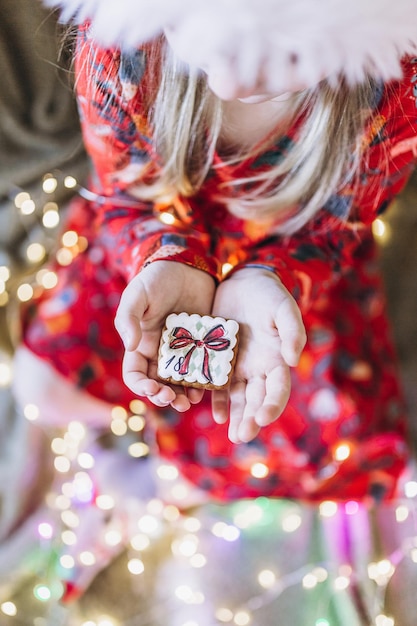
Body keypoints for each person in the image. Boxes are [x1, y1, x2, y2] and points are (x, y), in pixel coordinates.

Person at [12, 0, 417, 503]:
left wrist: (270, 277)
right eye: (204, 49)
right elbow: (123, 194)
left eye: (287, 60)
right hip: (147, 249)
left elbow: (336, 231)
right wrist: (166, 257)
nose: (231, 84)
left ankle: (177, 453)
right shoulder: (121, 45)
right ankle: (164, 433)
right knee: (40, 390)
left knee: (319, 445)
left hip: (294, 279)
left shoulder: (395, 84)